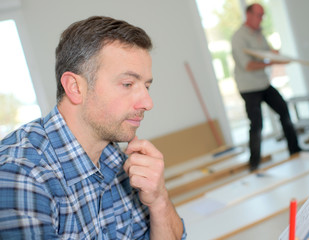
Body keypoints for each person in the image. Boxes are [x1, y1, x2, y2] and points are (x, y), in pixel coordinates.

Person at [0, 16, 186, 239]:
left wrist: (159, 199)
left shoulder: (117, 159)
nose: (148, 102)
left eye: (146, 86)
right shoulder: (22, 175)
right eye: (127, 84)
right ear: (75, 87)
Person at [231, 3, 307, 172]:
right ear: (248, 15)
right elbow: (248, 65)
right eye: (258, 15)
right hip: (249, 87)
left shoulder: (260, 34)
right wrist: (271, 61)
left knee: (283, 110)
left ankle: (295, 150)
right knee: (257, 124)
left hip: (263, 84)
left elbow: (266, 52)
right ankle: (254, 164)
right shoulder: (238, 37)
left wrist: (276, 55)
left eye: (262, 16)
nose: (261, 19)